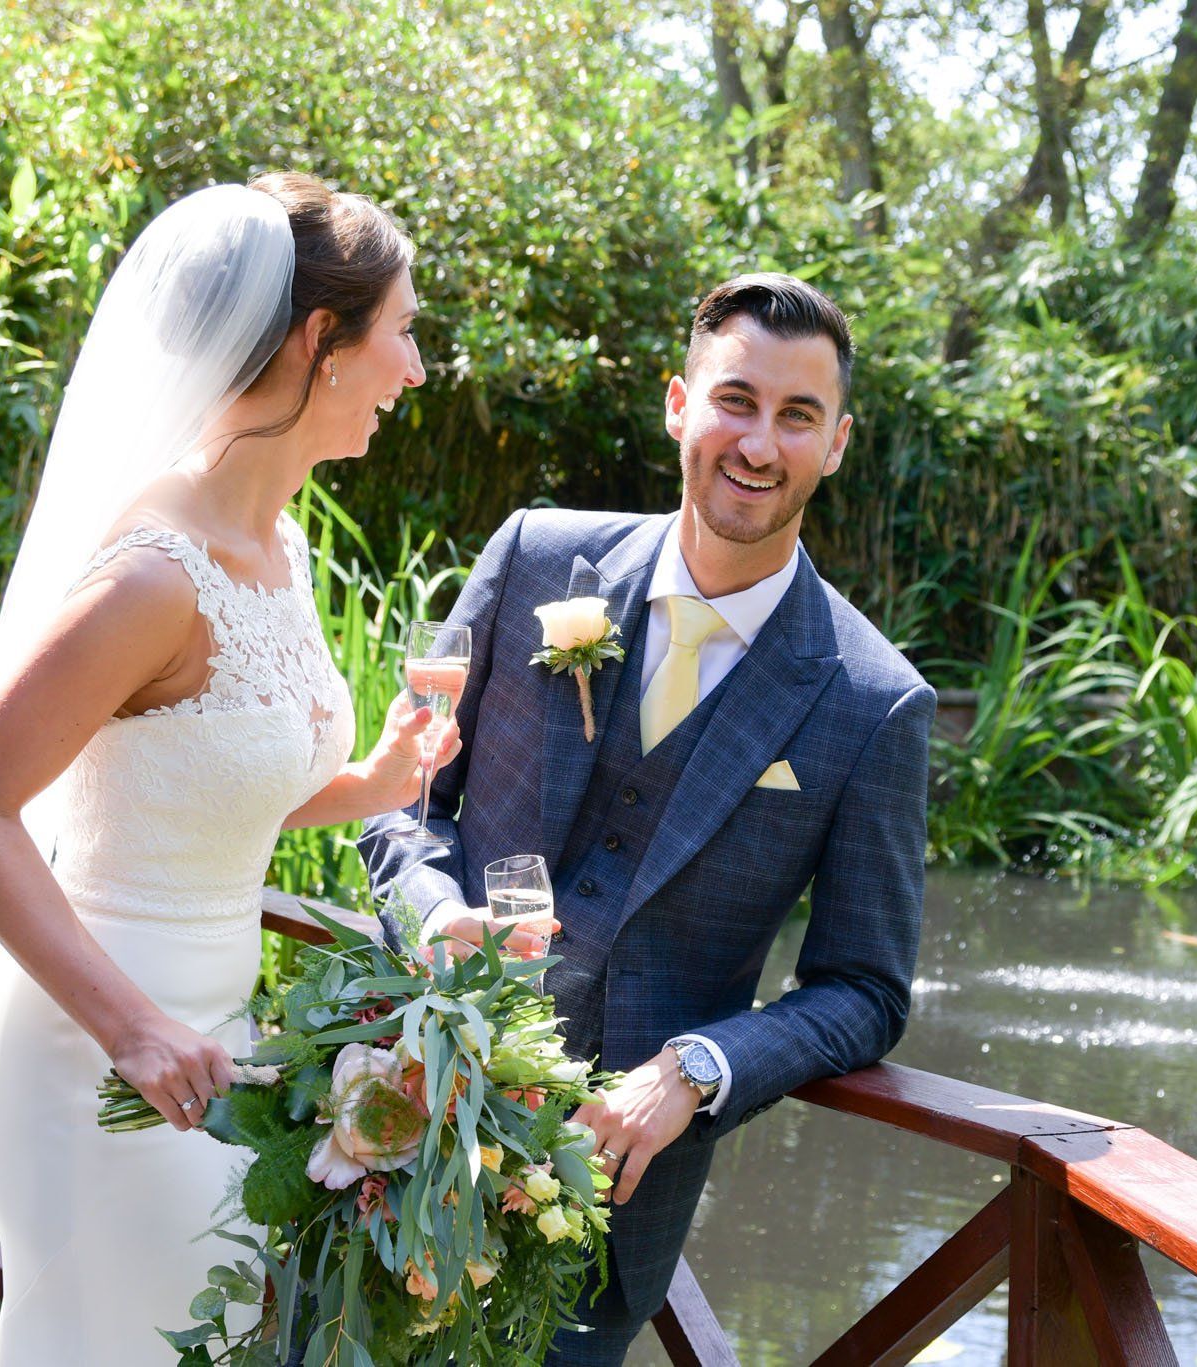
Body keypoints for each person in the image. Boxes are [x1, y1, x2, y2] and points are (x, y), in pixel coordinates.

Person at [0, 173, 448, 1365]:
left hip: (218, 1047)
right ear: (319, 343)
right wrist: (132, 1027)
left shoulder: (272, 546)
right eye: (403, 329)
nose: (418, 368)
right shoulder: (153, 576)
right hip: (101, 1059)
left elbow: (196, 784)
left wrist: (370, 784)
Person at [360, 273, 934, 1364]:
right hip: (390, 1116)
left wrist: (699, 1067)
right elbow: (407, 791)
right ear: (679, 403)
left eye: (797, 415)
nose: (759, 443)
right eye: (736, 399)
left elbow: (865, 986)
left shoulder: (873, 701)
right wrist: (431, 907)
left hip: (598, 1222)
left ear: (838, 441)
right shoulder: (531, 553)